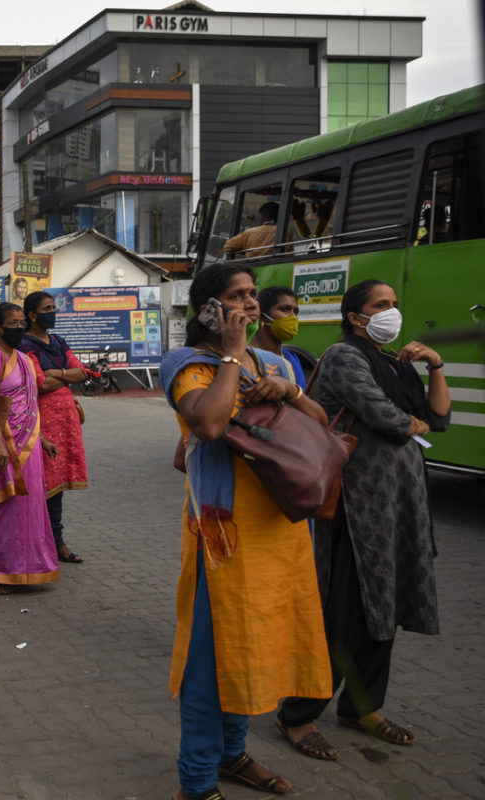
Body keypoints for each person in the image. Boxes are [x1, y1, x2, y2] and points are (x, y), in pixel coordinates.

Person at [159, 264, 331, 800]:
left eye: (254, 294)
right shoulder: (187, 364)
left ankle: (233, 753)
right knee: (213, 659)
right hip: (224, 539)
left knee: (258, 646)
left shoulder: (278, 361)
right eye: (237, 296)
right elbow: (207, 425)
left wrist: (291, 393)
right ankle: (197, 779)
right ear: (208, 309)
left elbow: (321, 425)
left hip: (281, 531)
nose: (251, 304)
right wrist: (233, 354)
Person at [277, 279, 450, 760]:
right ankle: (298, 714)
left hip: (400, 504)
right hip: (358, 506)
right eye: (381, 305)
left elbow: (437, 418)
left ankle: (362, 706)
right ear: (356, 316)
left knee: (386, 608)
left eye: (395, 304)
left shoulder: (396, 362)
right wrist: (406, 422)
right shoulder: (343, 356)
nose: (391, 312)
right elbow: (387, 418)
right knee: (344, 613)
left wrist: (434, 363)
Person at [0, 302, 61, 594]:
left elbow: (29, 402)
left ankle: (24, 568)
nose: (20, 327)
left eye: (22, 322)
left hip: (27, 446)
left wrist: (42, 439)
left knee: (24, 508)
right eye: (13, 323)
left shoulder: (21, 357)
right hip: (0, 445)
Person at [16, 291, 90, 564]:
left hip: (66, 418)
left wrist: (56, 373)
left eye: (53, 307)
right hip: (43, 420)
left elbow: (82, 372)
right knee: (41, 481)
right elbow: (39, 384)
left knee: (57, 485)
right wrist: (64, 376)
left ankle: (57, 540)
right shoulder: (25, 345)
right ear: (32, 315)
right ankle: (42, 540)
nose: (53, 312)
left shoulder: (59, 342)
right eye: (47, 308)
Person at [249, 285, 309, 389]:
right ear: (262, 317)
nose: (293, 317)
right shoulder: (247, 356)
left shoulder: (290, 357)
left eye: (296, 311)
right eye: (285, 309)